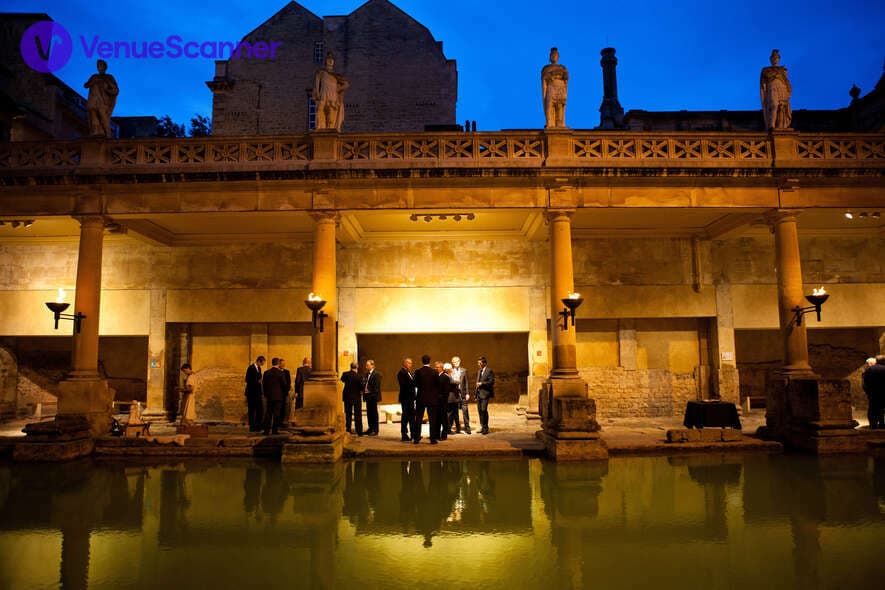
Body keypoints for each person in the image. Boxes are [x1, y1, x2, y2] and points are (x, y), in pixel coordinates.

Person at [313, 52, 350, 131]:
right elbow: (317, 83)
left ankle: (331, 129)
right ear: (325, 61)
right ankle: (320, 126)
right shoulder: (321, 72)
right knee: (320, 110)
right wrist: (318, 93)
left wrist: (337, 89)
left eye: (332, 60)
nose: (330, 61)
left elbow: (346, 84)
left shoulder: (335, 75)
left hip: (333, 96)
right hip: (323, 94)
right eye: (328, 59)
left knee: (331, 114)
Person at [84, 59, 118, 137]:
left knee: (103, 117)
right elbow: (86, 85)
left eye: (101, 65)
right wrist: (93, 82)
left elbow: (115, 90)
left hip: (103, 101)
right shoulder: (94, 77)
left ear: (105, 67)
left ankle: (107, 133)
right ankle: (95, 132)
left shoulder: (109, 77)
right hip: (93, 100)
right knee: (93, 116)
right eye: (98, 66)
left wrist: (107, 88)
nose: (99, 67)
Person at [760, 49, 792, 130]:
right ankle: (771, 125)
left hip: (781, 87)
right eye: (773, 58)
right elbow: (763, 84)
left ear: (778, 59)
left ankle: (780, 126)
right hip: (772, 87)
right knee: (773, 105)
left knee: (781, 107)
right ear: (770, 59)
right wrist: (764, 93)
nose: (775, 59)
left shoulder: (783, 70)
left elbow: (786, 81)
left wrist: (788, 92)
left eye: (776, 58)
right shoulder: (765, 70)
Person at [413, 355, 441, 444]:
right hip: (432, 399)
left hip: (420, 397)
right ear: (430, 361)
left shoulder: (418, 372)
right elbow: (438, 385)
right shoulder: (434, 372)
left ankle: (417, 438)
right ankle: (433, 439)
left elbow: (415, 384)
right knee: (432, 419)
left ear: (422, 361)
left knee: (418, 419)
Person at [541, 47, 568, 128]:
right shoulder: (546, 68)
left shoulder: (562, 67)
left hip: (560, 87)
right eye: (552, 55)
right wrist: (551, 75)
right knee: (549, 106)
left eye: (555, 55)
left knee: (559, 106)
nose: (554, 57)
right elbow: (544, 78)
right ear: (550, 57)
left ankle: (560, 124)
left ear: (558, 57)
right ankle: (550, 123)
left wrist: (558, 75)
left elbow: (566, 77)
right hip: (551, 87)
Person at [261, 358, 287, 435]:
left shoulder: (266, 373)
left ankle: (266, 431)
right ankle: (274, 430)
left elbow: (264, 385)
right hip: (278, 396)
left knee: (268, 413)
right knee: (276, 414)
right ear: (278, 363)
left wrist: (266, 394)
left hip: (269, 396)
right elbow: (284, 384)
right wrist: (283, 393)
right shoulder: (280, 373)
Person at [397, 357, 417, 442]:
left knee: (412, 417)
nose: (410, 365)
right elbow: (404, 385)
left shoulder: (408, 372)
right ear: (405, 363)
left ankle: (413, 434)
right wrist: (414, 382)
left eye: (411, 363)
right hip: (405, 398)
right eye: (409, 363)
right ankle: (404, 435)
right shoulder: (401, 373)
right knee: (405, 417)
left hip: (410, 398)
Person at [341, 362, 363, 435]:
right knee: (358, 414)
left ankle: (348, 429)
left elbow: (342, 380)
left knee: (348, 413)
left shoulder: (345, 374)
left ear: (350, 367)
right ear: (357, 367)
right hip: (356, 396)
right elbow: (361, 387)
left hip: (347, 396)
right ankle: (359, 430)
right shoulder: (359, 376)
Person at [244, 355, 265, 432]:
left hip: (258, 393)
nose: (262, 365)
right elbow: (247, 379)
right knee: (252, 410)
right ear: (259, 361)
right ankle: (252, 426)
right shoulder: (251, 368)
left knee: (259, 410)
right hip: (252, 393)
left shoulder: (259, 368)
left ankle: (257, 425)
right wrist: (257, 382)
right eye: (262, 363)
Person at [475, 356, 495, 435]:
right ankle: (482, 426)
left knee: (484, 410)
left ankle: (486, 428)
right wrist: (475, 393)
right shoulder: (479, 371)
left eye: (480, 363)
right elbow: (477, 382)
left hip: (485, 394)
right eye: (478, 363)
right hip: (479, 394)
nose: (478, 364)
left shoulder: (489, 371)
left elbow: (492, 381)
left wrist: (482, 383)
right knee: (480, 411)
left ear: (484, 363)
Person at [452, 356, 471, 434]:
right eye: (454, 362)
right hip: (455, 394)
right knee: (455, 412)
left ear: (460, 362)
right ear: (452, 363)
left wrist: (467, 393)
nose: (456, 363)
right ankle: (458, 427)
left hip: (463, 394)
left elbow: (466, 382)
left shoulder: (464, 370)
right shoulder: (451, 371)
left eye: (457, 361)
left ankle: (467, 427)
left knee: (465, 411)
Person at [362, 359, 382, 436]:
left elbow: (376, 387)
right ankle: (370, 428)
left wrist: (368, 389)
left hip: (373, 397)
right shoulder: (367, 374)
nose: (366, 366)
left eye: (367, 365)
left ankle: (375, 430)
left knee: (374, 413)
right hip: (368, 396)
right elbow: (366, 383)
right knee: (369, 413)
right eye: (366, 365)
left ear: (372, 365)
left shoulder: (377, 374)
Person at [866, 355, 885, 429]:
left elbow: (865, 382)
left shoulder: (869, 369)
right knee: (882, 409)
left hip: (873, 393)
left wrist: (868, 392)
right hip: (884, 393)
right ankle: (882, 424)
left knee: (872, 409)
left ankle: (873, 424)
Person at [444, 362, 461, 434]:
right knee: (450, 414)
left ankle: (456, 428)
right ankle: (448, 429)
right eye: (450, 369)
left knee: (454, 414)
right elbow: (456, 382)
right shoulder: (448, 376)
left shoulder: (448, 375)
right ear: (447, 369)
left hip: (452, 398)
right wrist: (458, 379)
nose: (452, 370)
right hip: (451, 398)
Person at [435, 362, 449, 441]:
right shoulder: (436, 376)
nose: (436, 368)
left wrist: (441, 398)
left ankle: (444, 435)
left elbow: (446, 391)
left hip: (443, 402)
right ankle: (437, 435)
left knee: (444, 419)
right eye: (435, 367)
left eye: (437, 367)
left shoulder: (445, 377)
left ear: (441, 368)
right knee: (437, 420)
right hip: (436, 402)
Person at [279, 358, 292, 425]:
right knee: (278, 408)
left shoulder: (287, 372)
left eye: (284, 364)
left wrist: (287, 390)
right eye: (282, 364)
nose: (283, 365)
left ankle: (283, 421)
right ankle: (278, 421)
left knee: (284, 407)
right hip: (278, 392)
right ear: (279, 364)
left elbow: (289, 382)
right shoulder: (277, 371)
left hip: (284, 393)